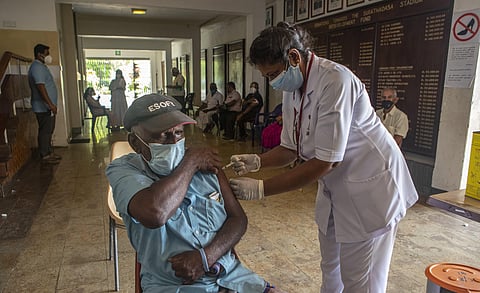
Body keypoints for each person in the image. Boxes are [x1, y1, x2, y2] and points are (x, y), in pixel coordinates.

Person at [228, 22, 418, 293]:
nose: (272, 81)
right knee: (330, 267)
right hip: (336, 188)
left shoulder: (335, 81)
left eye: (272, 74)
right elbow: (291, 148)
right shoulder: (293, 88)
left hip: (370, 189)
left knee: (360, 279)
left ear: (294, 57)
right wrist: (258, 161)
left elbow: (327, 161)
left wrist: (261, 189)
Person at [105, 93, 285, 293]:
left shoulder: (206, 164)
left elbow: (238, 219)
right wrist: (190, 163)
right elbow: (155, 213)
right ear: (135, 142)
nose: (174, 142)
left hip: (231, 277)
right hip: (173, 286)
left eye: (179, 133)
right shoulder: (125, 170)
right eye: (162, 135)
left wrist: (205, 258)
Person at [28, 43, 61, 164]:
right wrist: (50, 104)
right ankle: (45, 155)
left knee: (49, 130)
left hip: (47, 106)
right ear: (39, 54)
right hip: (43, 107)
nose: (49, 56)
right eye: (47, 53)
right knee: (45, 131)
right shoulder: (37, 67)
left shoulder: (41, 67)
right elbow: (41, 87)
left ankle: (48, 152)